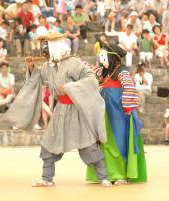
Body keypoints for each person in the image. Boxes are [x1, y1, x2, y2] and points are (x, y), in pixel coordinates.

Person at [6, 32, 112, 187]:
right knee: (48, 144)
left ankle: (103, 177)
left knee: (88, 144)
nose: (43, 51)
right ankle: (47, 178)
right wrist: (31, 67)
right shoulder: (48, 66)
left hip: (76, 110)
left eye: (46, 47)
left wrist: (69, 87)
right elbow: (37, 79)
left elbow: (91, 79)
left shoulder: (74, 63)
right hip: (59, 110)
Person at [86, 35, 147, 185]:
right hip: (105, 113)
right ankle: (106, 173)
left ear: (112, 58)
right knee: (105, 142)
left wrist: (126, 106)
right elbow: (90, 69)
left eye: (103, 57)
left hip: (119, 113)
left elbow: (129, 88)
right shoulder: (106, 73)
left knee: (119, 142)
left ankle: (120, 174)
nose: (101, 60)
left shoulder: (122, 72)